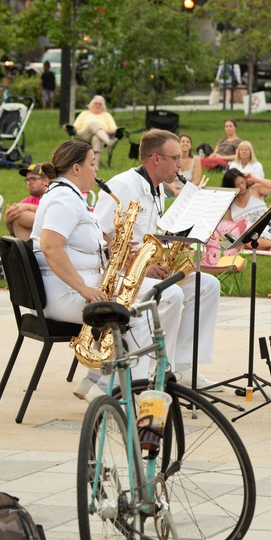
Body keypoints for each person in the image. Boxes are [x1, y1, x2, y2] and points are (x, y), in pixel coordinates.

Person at [93, 129, 221, 390]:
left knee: (207, 286)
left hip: (148, 272)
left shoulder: (159, 190)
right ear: (155, 159)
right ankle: (153, 372)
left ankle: (183, 367)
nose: (180, 164)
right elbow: (100, 236)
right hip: (120, 276)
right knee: (172, 295)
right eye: (175, 158)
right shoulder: (123, 185)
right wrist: (139, 266)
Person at [30, 140, 153, 401]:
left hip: (69, 286)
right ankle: (127, 391)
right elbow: (51, 247)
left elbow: (75, 245)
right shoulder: (63, 198)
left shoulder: (70, 196)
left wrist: (112, 250)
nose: (95, 170)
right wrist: (84, 288)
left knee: (152, 300)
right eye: (92, 164)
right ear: (76, 168)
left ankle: (99, 380)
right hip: (61, 294)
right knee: (139, 314)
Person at [221, 168, 271, 251]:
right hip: (249, 233)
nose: (241, 186)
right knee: (247, 241)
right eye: (237, 185)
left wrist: (255, 179)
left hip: (267, 225)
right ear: (231, 187)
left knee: (249, 241)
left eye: (242, 182)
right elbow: (231, 226)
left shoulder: (255, 190)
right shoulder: (230, 204)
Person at [4, 163, 50, 241]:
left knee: (21, 215)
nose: (29, 182)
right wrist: (8, 220)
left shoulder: (53, 195)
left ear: (45, 181)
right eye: (27, 179)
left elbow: (53, 215)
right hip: (33, 242)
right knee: (17, 215)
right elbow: (13, 232)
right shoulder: (27, 201)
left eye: (33, 179)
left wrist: (29, 207)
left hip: (52, 237)